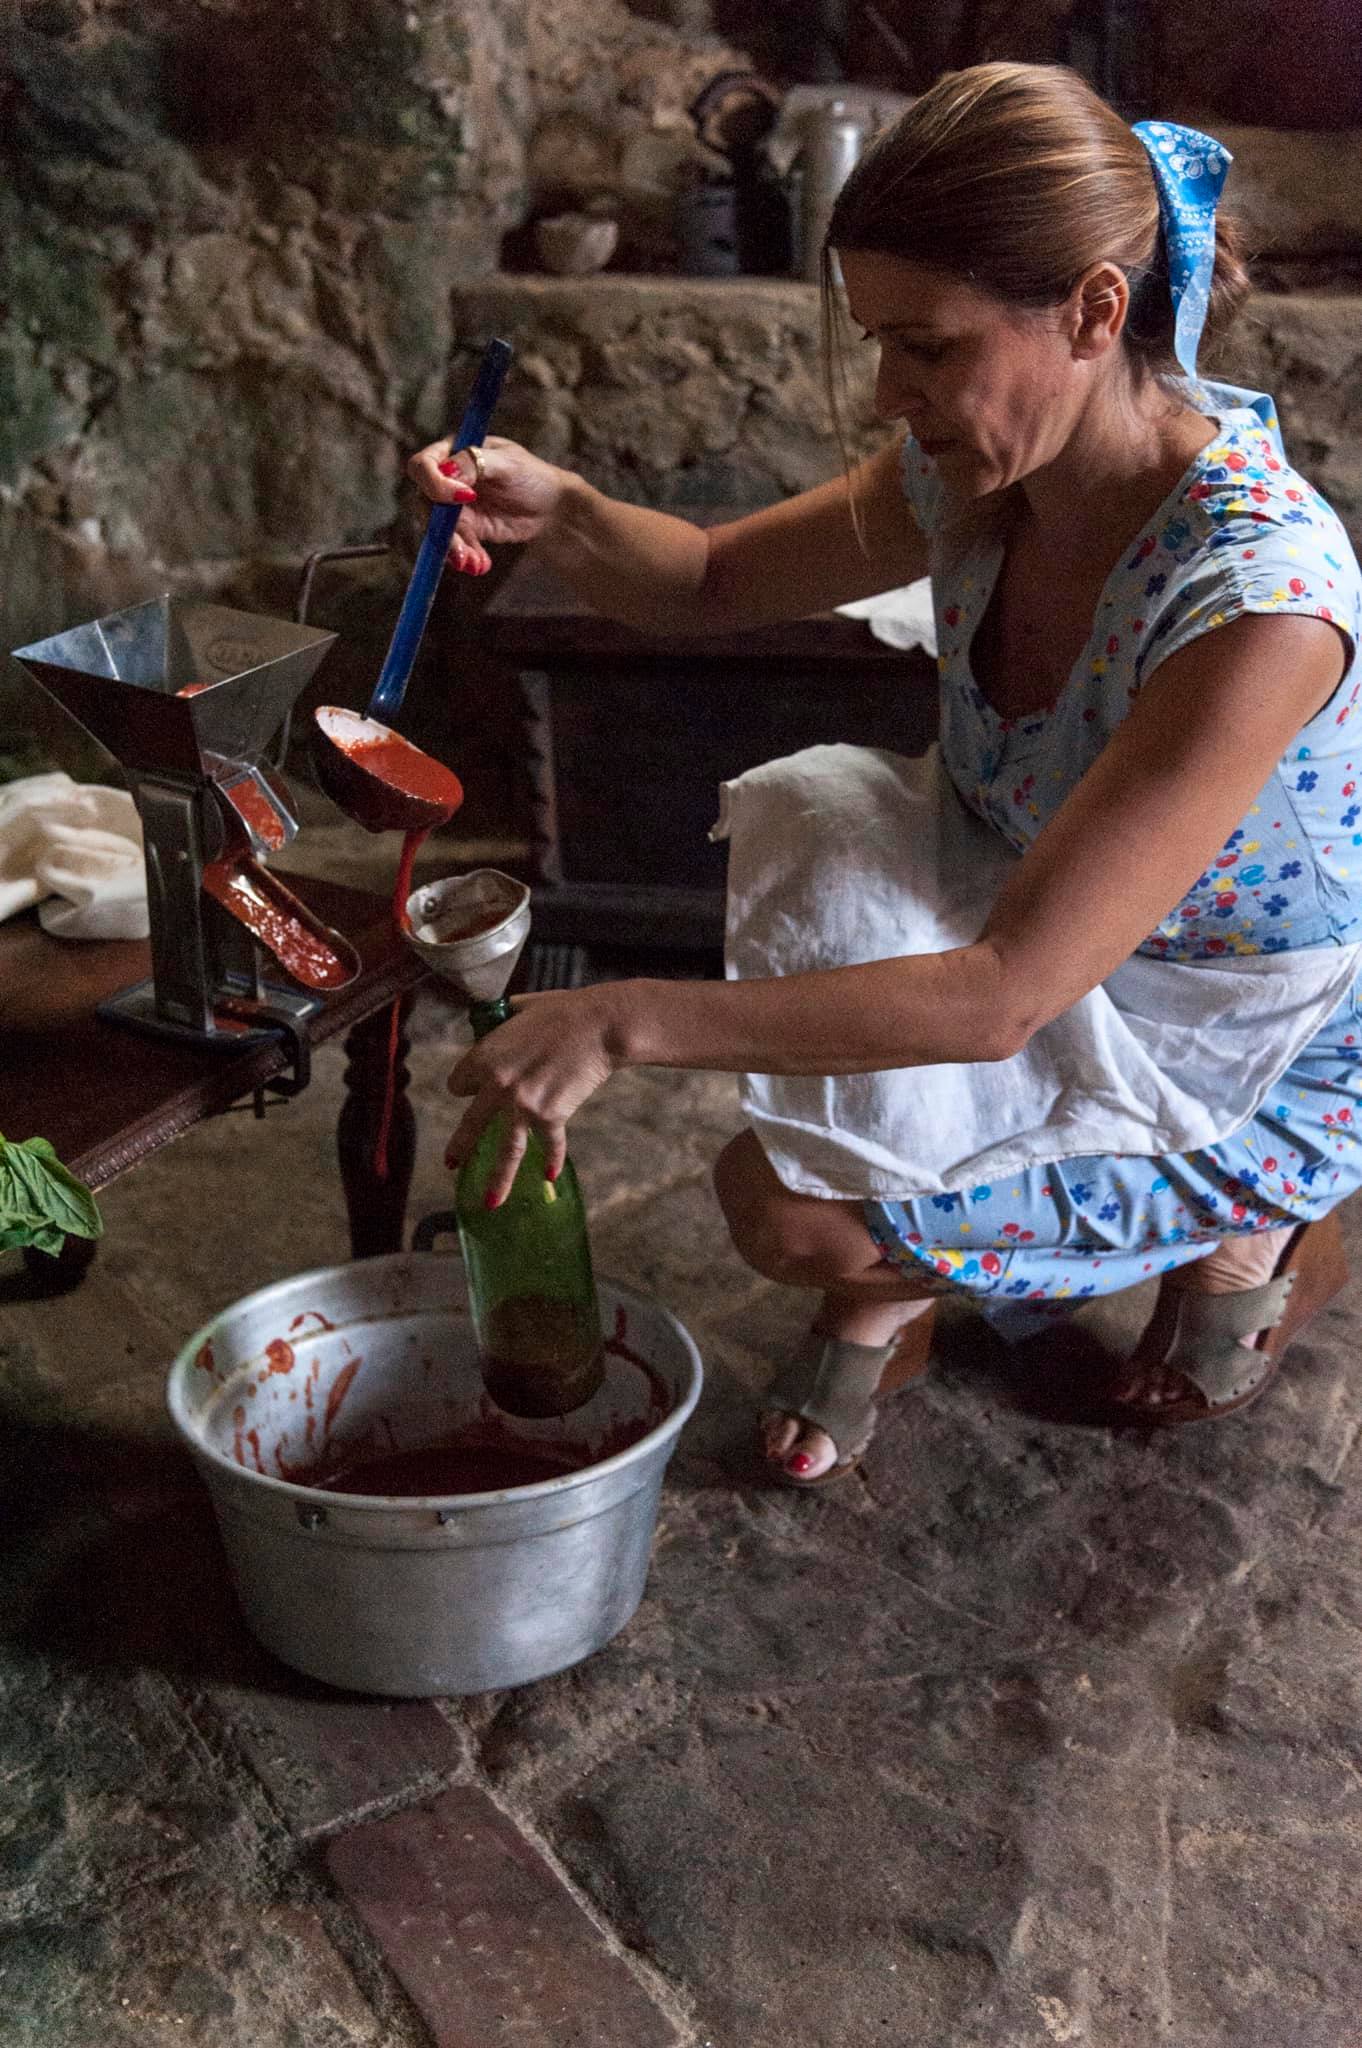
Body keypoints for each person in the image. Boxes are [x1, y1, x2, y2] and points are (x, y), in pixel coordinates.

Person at [408, 62, 1362, 1485]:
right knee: (823, 834)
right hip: (1035, 909)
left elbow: (997, 1000)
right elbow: (716, 578)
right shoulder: (977, 471)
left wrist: (615, 1022)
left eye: (923, 347)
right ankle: (918, 1272)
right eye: (876, 343)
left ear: (1096, 311)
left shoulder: (1258, 601)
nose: (882, 394)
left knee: (795, 1213)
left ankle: (1248, 1222)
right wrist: (566, 510)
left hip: (1223, 1015)